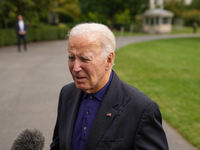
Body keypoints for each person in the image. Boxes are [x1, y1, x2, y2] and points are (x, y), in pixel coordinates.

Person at [50, 23, 169, 150]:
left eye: (84, 59)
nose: (75, 67)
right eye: (71, 58)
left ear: (108, 60)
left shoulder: (141, 109)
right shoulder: (67, 93)